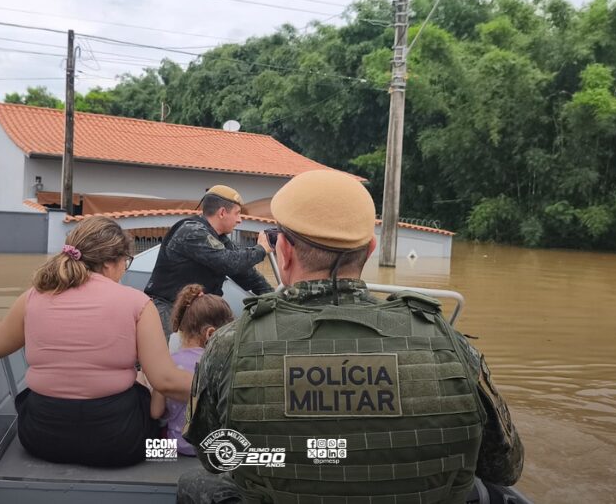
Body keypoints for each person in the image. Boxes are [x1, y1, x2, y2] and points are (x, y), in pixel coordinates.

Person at [178, 170, 525, 503]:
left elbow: (214, 455)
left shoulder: (229, 345)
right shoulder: (450, 344)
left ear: (283, 251)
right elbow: (505, 467)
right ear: (370, 250)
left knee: (194, 482)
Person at [0, 216, 193, 468]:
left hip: (38, 439)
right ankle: (175, 450)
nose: (124, 269)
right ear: (109, 262)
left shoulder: (33, 296)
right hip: (120, 444)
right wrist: (215, 386)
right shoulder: (138, 302)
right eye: (125, 261)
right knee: (148, 404)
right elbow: (165, 380)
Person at [144, 185, 273, 336]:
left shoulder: (219, 239)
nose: (239, 220)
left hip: (198, 313)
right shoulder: (191, 231)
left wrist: (272, 297)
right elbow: (229, 263)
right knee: (166, 351)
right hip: (169, 310)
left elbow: (244, 273)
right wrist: (261, 249)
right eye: (237, 213)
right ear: (222, 212)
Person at [149, 284, 234, 456]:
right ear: (211, 333)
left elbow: (155, 412)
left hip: (176, 447)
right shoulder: (223, 364)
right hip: (212, 450)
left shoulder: (167, 364)